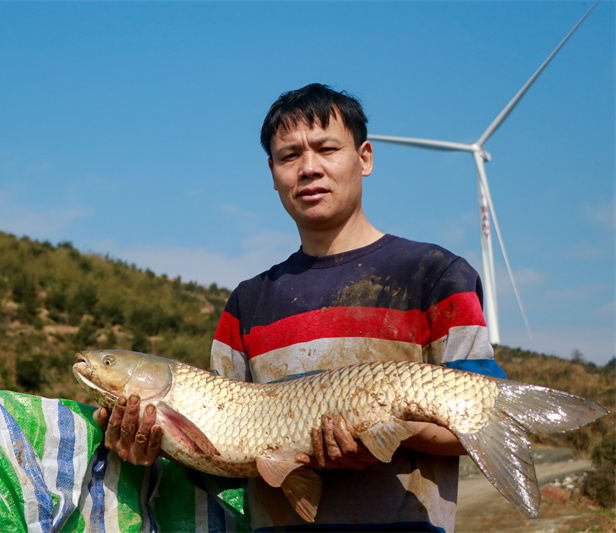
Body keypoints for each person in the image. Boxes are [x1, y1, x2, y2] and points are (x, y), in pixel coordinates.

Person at [95, 83, 506, 532]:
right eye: (289, 156)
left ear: (364, 158)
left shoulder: (436, 274)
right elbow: (224, 449)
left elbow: (482, 422)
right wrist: (150, 447)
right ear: (272, 172)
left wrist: (393, 431)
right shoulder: (247, 301)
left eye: (327, 148)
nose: (309, 168)